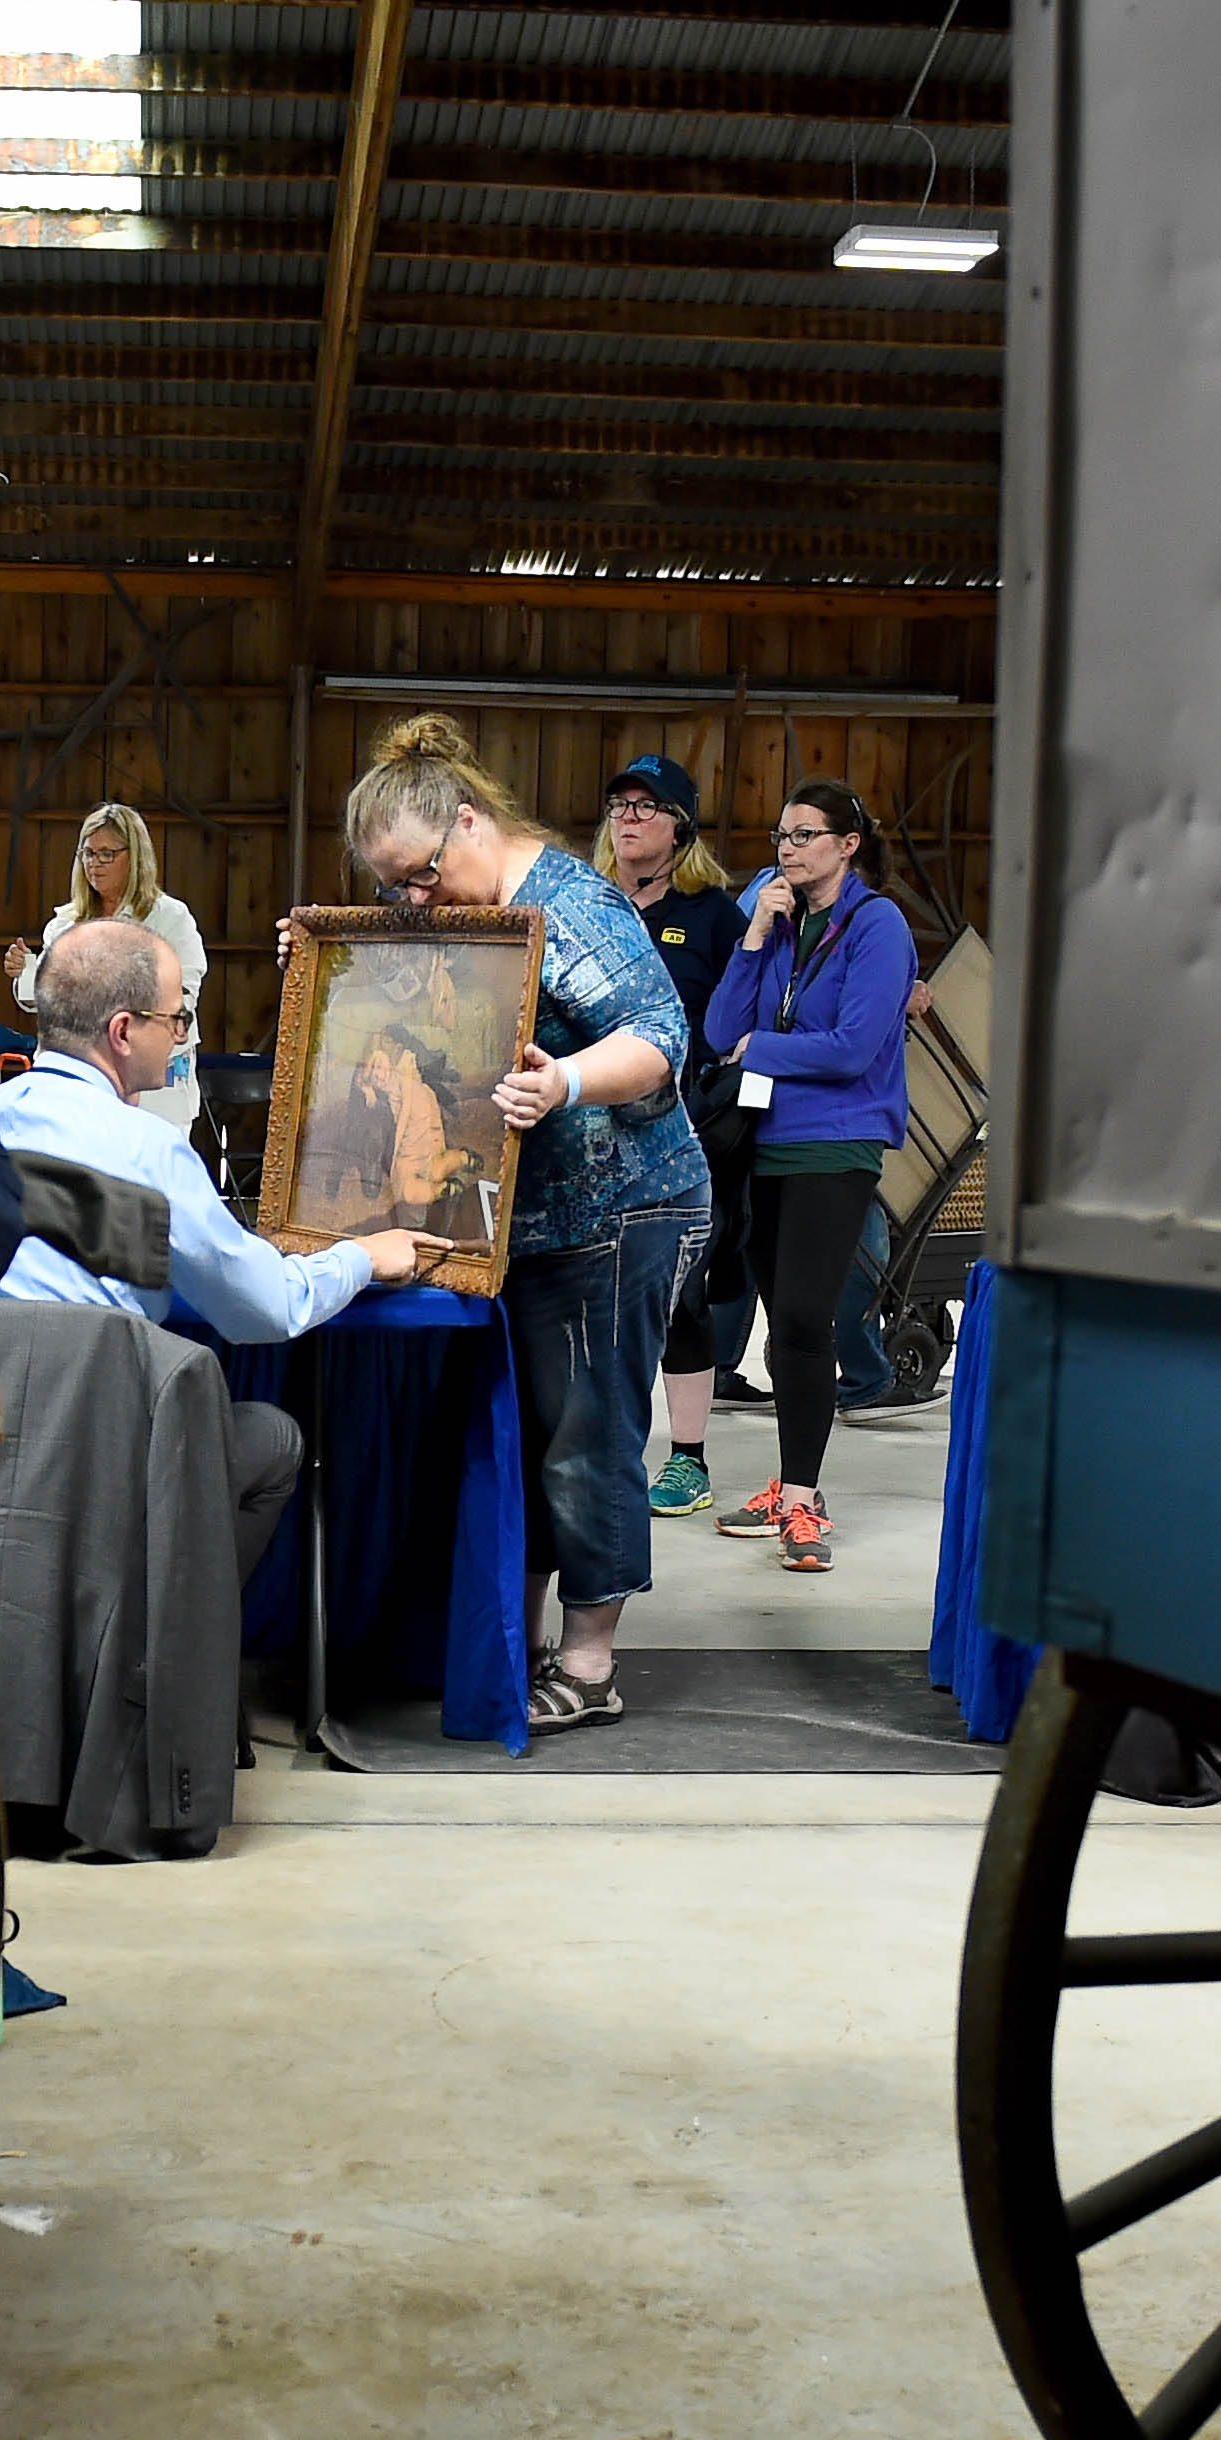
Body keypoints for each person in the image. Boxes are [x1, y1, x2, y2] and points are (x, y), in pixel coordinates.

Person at [339, 713, 706, 1737]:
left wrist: (567, 1083)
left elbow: (662, 1039)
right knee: (533, 1433)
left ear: (467, 821)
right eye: (390, 888)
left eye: (416, 876)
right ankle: (522, 1637)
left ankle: (590, 1665)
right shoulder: (466, 906)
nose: (410, 901)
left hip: (625, 1205)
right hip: (531, 1221)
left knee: (587, 1437)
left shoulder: (571, 905)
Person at [0, 918, 441, 1573]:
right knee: (273, 1438)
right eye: (176, 1017)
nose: (183, 1034)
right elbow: (264, 1311)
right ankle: (156, 1639)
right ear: (124, 1031)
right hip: (92, 1469)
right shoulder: (147, 1151)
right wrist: (363, 1256)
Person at [700, 778, 914, 1572]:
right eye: (781, 838)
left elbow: (854, 1048)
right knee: (779, 1326)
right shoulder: (779, 920)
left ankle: (803, 1499)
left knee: (800, 1318)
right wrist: (754, 936)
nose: (787, 850)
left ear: (847, 844)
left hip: (836, 1143)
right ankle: (792, 1481)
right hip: (762, 1143)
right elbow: (721, 1029)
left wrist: (764, 1050)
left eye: (804, 835)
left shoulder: (877, 925)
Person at [595, 753, 753, 1519]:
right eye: (620, 805)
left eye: (646, 807)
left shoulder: (716, 914)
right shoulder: (586, 906)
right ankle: (602, 1444)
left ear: (680, 826)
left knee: (680, 1295)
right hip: (586, 1128)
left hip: (680, 1136)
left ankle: (687, 1458)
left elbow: (747, 1018)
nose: (628, 818)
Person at [12, 802, 210, 1132]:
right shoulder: (64, 924)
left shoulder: (170, 918)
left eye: (107, 854)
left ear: (135, 857)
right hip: (81, 1078)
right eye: (88, 854)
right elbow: (45, 1002)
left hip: (153, 1083)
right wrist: (25, 973)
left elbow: (185, 993)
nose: (94, 864)